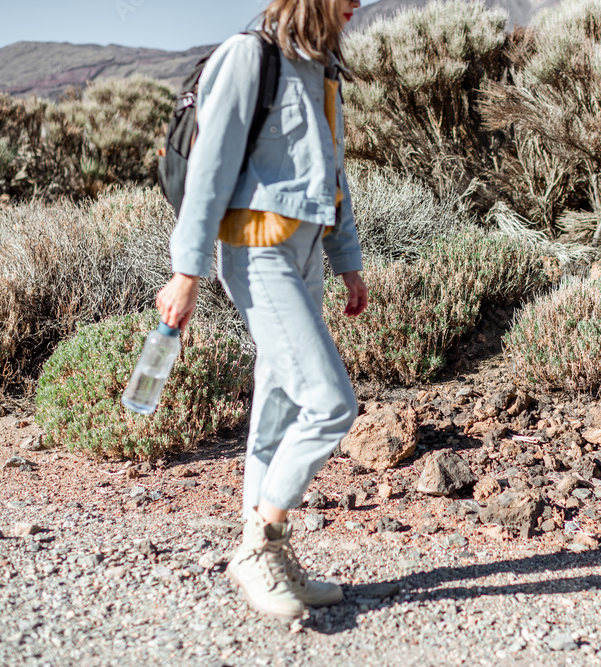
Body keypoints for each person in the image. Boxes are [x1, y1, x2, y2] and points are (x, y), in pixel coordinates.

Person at [156, 0, 366, 619]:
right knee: (331, 403)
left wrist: (347, 260)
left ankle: (269, 559)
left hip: (305, 256)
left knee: (277, 409)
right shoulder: (249, 57)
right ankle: (259, 547)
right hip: (257, 252)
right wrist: (186, 271)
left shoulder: (322, 69)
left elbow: (333, 175)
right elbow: (211, 172)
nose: (358, 5)